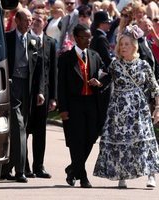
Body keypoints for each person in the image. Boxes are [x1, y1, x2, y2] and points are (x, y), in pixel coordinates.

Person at [93, 25, 159, 188]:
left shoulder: (143, 64)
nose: (123, 47)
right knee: (120, 142)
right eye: (121, 44)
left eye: (126, 44)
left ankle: (151, 175)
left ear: (134, 46)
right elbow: (106, 82)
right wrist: (98, 82)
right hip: (119, 110)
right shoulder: (115, 65)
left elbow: (154, 87)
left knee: (144, 142)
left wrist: (157, 108)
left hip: (139, 109)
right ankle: (122, 174)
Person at [57, 23, 110, 188]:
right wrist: (63, 108)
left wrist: (99, 82)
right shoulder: (66, 58)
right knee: (77, 140)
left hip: (92, 103)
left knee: (90, 138)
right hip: (74, 104)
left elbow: (106, 73)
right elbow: (61, 85)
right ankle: (82, 176)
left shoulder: (94, 55)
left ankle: (73, 168)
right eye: (85, 37)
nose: (88, 40)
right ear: (76, 38)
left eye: (90, 37)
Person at [1, 8, 45, 183]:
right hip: (12, 85)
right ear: (17, 20)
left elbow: (40, 69)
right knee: (18, 126)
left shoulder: (34, 40)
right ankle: (20, 171)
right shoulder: (7, 38)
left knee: (22, 127)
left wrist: (40, 91)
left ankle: (6, 168)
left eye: (31, 19)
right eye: (26, 19)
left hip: (27, 87)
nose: (29, 22)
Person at [25, 9, 57, 178]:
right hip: (27, 93)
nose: (36, 22)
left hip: (44, 94)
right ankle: (24, 166)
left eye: (40, 20)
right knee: (25, 129)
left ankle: (39, 166)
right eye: (34, 19)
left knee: (40, 132)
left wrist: (53, 97)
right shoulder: (25, 39)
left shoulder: (50, 42)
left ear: (45, 23)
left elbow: (53, 72)